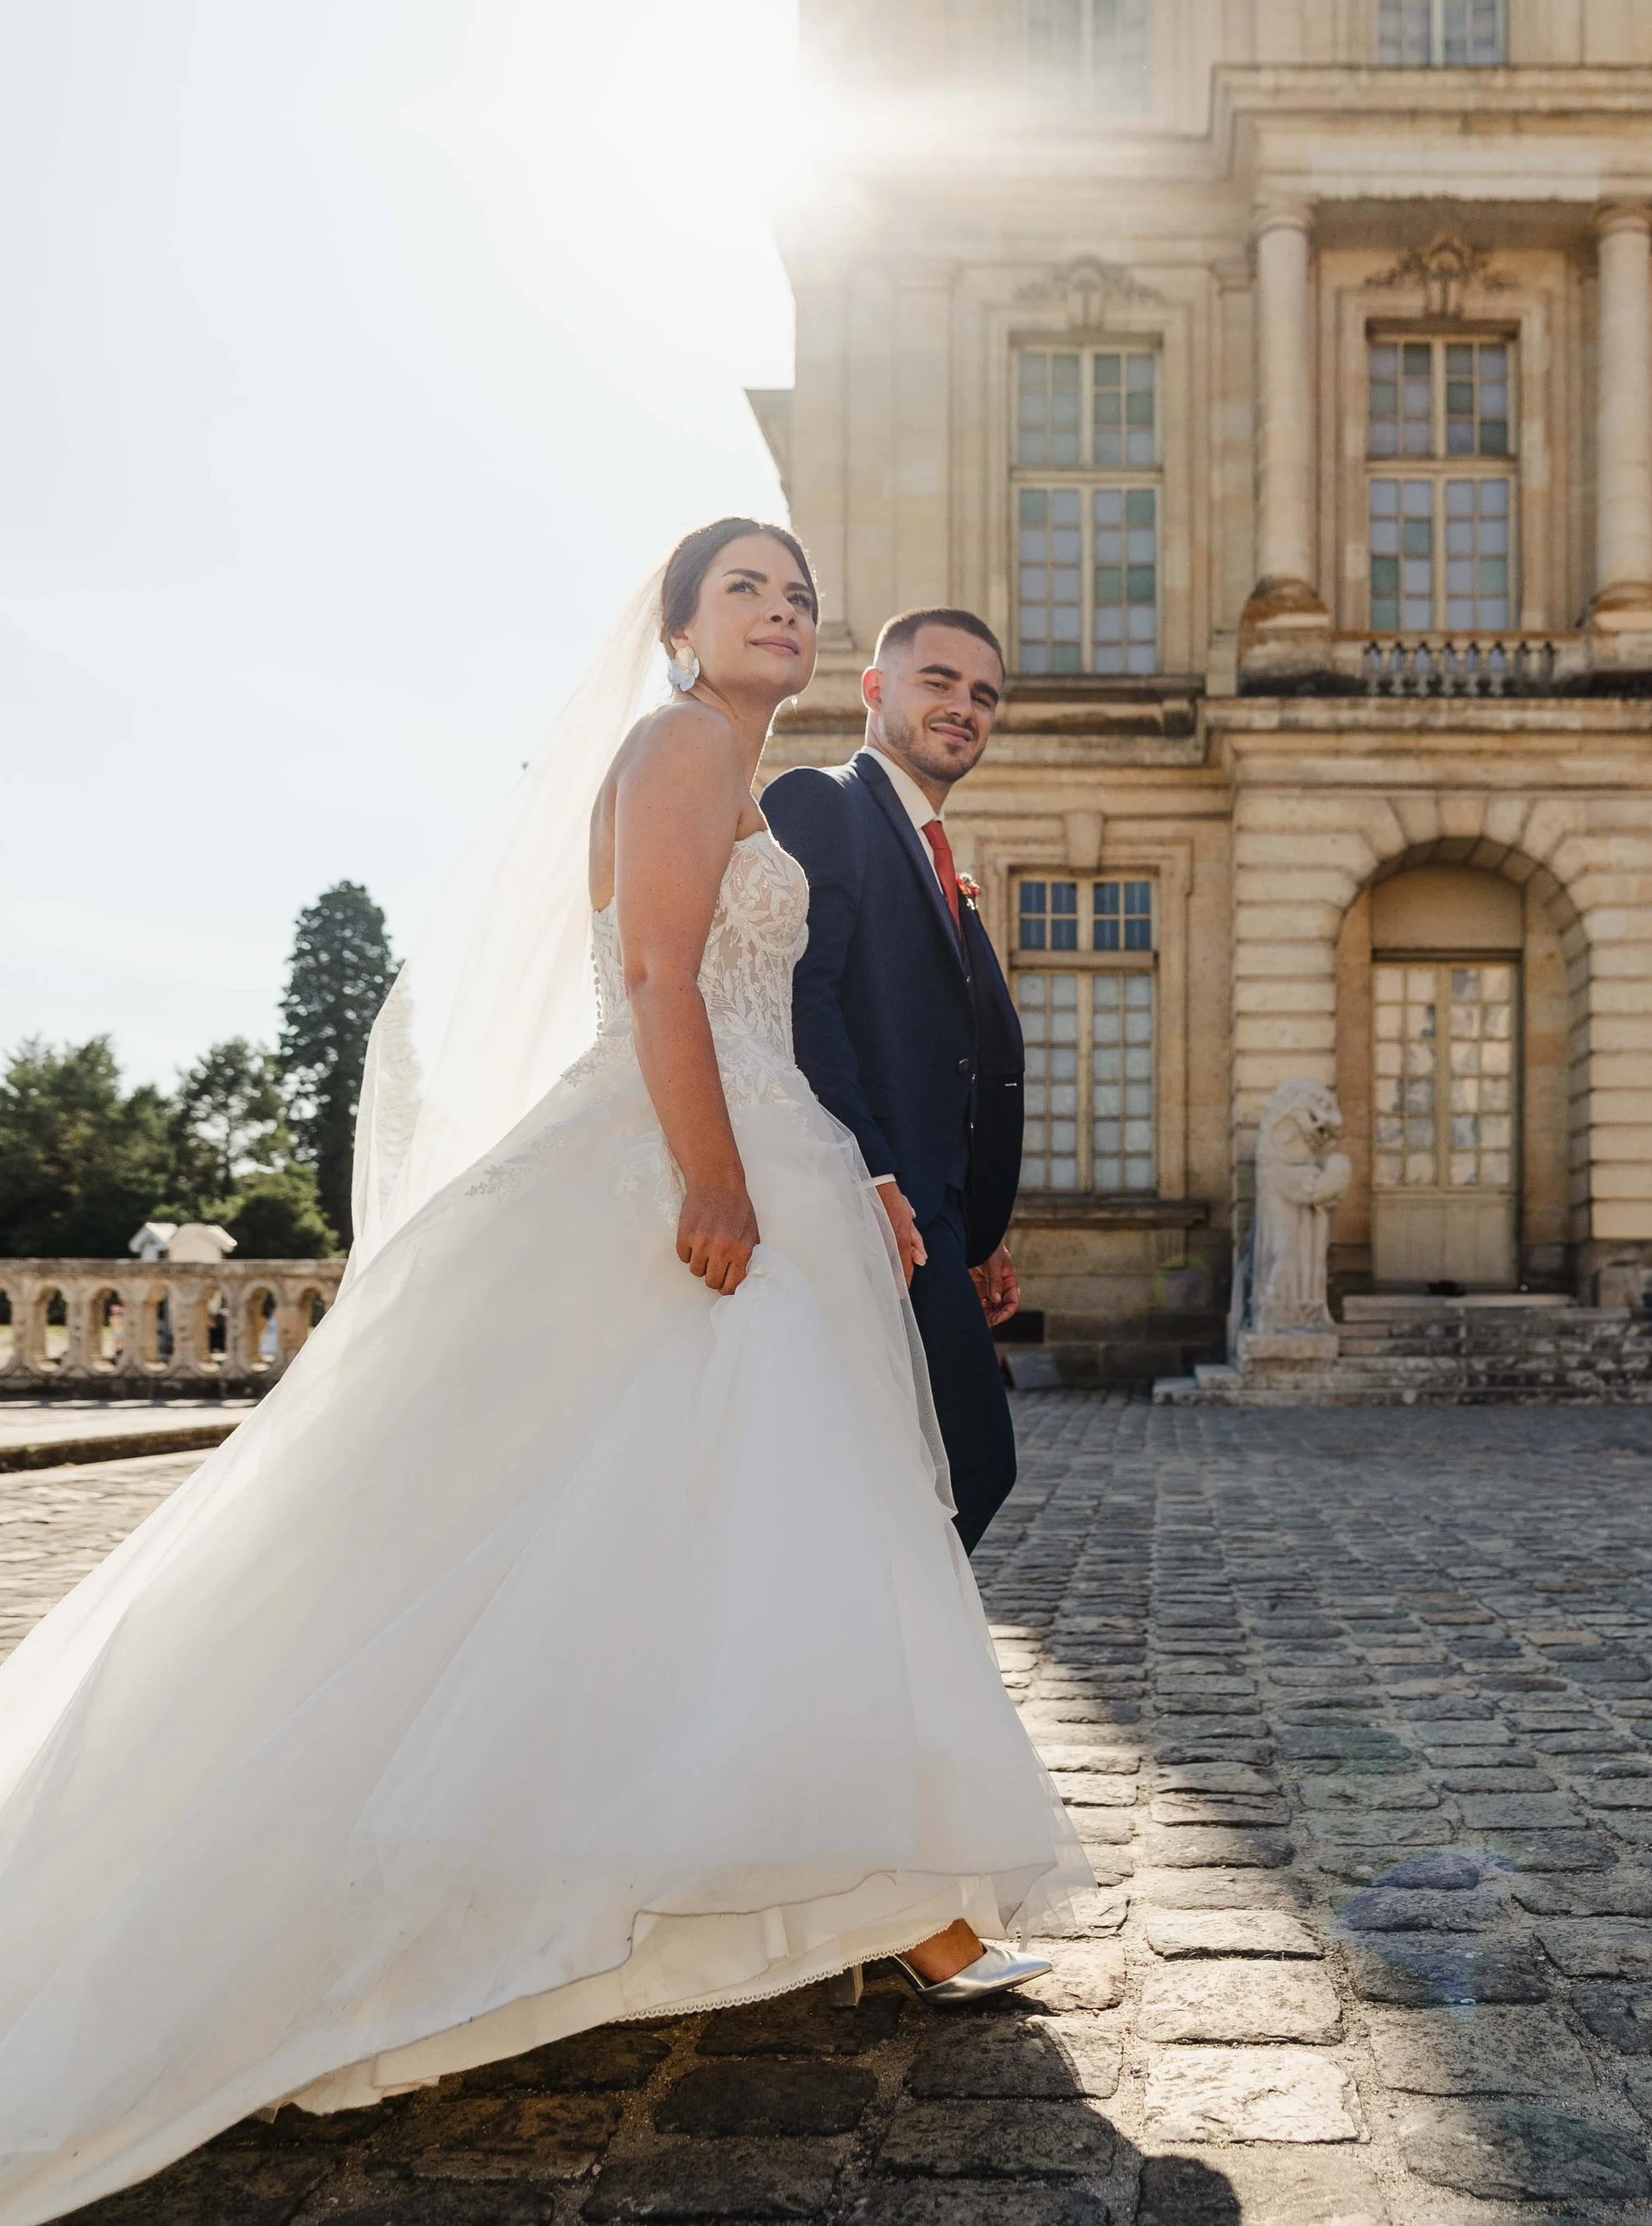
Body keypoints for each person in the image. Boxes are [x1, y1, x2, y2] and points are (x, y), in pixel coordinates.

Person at [0, 522, 1086, 2226]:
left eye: (799, 597)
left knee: (762, 1527)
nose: (783, 615)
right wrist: (712, 1174)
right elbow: (657, 970)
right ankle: (451, 1911)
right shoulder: (669, 746)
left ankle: (892, 1895)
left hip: (772, 1162)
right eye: (748, 592)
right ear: (674, 625)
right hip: (675, 1168)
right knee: (632, 1526)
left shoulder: (742, 764)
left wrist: (818, 1170)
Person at [763, 608, 1026, 1553]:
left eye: (984, 696)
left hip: (933, 1217)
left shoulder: (934, 852)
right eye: (939, 682)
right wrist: (871, 1179)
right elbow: (804, 1000)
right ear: (875, 690)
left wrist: (975, 1222)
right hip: (871, 1206)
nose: (964, 708)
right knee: (966, 1462)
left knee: (930, 1467)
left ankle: (870, 1681)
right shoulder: (822, 802)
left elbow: (952, 1055)